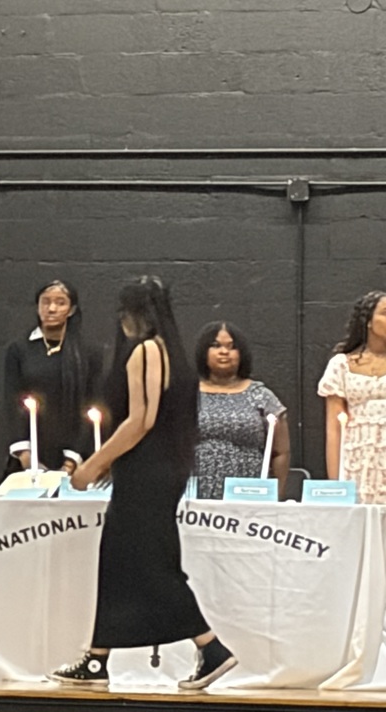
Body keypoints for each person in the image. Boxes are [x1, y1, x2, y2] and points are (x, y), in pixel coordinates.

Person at [49, 276, 236, 691]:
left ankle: (212, 646)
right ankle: (98, 658)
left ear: (134, 313)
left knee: (153, 566)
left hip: (146, 473)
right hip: (163, 470)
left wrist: (92, 465)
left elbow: (140, 420)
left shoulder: (146, 351)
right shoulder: (173, 354)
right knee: (118, 560)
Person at [1, 280, 102, 481]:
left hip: (74, 456)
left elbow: (93, 403)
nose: (52, 308)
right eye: (45, 302)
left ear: (71, 310)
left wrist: (72, 460)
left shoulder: (88, 353)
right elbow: (12, 402)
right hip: (30, 455)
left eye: (60, 303)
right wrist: (26, 455)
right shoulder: (19, 350)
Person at [194, 321, 290, 500]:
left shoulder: (261, 395)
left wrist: (276, 496)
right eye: (216, 346)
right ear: (203, 352)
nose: (224, 352)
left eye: (232, 347)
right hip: (195, 497)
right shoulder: (187, 395)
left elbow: (281, 452)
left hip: (249, 497)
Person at [318, 290, 386, 504]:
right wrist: (336, 484)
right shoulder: (342, 365)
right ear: (367, 321)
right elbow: (334, 429)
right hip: (357, 457)